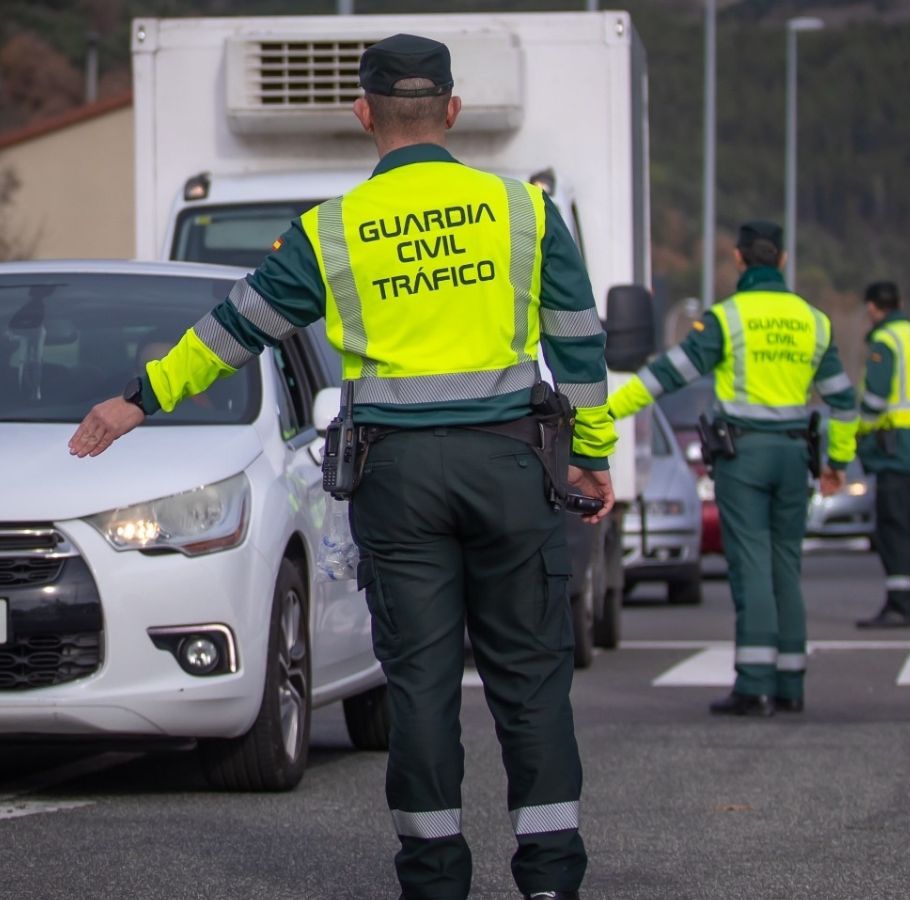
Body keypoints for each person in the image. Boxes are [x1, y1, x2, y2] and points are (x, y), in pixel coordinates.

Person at [68, 33, 615, 900]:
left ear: (364, 115)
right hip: (510, 470)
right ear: (453, 112)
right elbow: (581, 347)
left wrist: (138, 399)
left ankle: (435, 879)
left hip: (398, 483)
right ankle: (550, 878)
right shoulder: (526, 212)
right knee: (531, 680)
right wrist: (589, 458)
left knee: (423, 686)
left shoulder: (331, 232)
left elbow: (236, 326)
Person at [607, 221, 858, 717]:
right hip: (793, 458)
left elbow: (665, 376)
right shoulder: (815, 321)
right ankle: (790, 683)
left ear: (740, 260)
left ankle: (754, 685)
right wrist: (837, 462)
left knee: (750, 566)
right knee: (786, 565)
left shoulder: (728, 319)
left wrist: (606, 410)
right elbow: (844, 403)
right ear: (782, 261)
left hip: (744, 457)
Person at [855, 281, 910, 628]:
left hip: (896, 447)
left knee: (894, 528)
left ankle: (899, 604)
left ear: (873, 308)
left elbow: (875, 399)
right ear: (900, 302)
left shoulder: (885, 341)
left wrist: (860, 432)